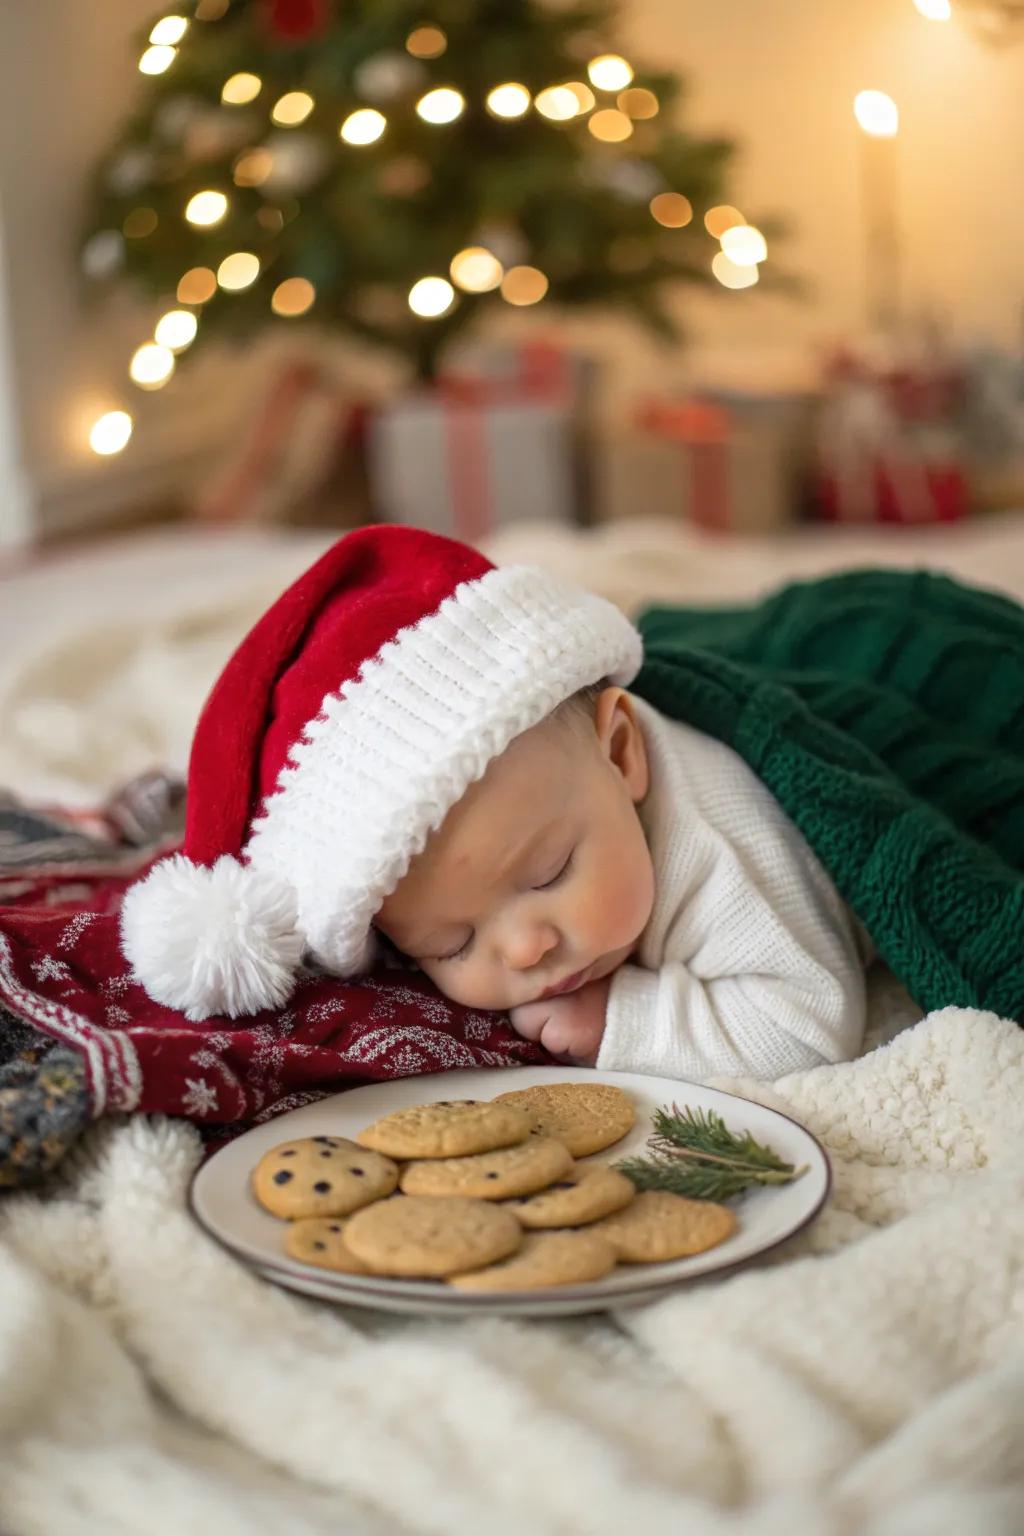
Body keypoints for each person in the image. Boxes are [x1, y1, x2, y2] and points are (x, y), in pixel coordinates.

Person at [121, 525, 867, 1080]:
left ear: (620, 754)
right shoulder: (542, 818)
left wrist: (621, 1019)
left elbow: (811, 1026)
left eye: (548, 873)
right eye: (451, 945)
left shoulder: (717, 850)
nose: (523, 948)